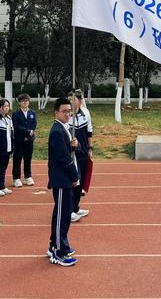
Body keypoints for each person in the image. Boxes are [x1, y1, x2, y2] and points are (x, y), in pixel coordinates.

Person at [47, 97, 79, 267]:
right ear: (56, 112)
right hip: (61, 179)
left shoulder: (63, 128)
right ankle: (59, 252)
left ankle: (55, 245)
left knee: (63, 214)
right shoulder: (57, 131)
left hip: (65, 179)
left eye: (69, 111)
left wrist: (73, 145)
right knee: (62, 216)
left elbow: (68, 151)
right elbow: (63, 158)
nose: (68, 114)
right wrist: (74, 177)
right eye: (64, 111)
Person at [67, 90, 92, 223]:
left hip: (83, 152)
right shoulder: (67, 116)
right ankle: (69, 210)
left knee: (81, 182)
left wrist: (90, 148)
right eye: (70, 100)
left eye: (74, 99)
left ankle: (76, 208)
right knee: (74, 181)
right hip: (72, 154)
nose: (72, 102)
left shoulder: (85, 113)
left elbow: (89, 131)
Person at [12, 93, 37, 187]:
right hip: (19, 140)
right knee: (17, 159)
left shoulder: (32, 113)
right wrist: (27, 132)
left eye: (26, 101)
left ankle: (28, 176)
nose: (25, 102)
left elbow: (34, 124)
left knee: (28, 159)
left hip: (29, 140)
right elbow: (17, 126)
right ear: (19, 102)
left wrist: (30, 133)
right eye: (23, 101)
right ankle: (16, 178)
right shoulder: (15, 114)